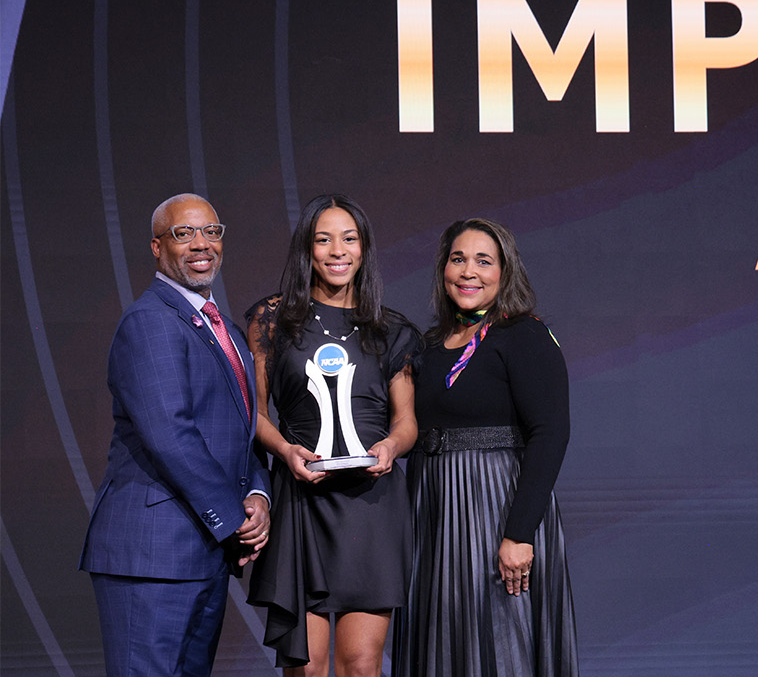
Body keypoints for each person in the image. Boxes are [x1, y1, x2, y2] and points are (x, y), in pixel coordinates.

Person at [80, 193, 271, 677]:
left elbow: (242, 428)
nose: (200, 244)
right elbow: (171, 435)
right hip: (150, 555)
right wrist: (233, 520)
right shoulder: (150, 322)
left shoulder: (222, 326)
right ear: (156, 247)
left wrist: (257, 493)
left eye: (211, 231)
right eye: (183, 233)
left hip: (203, 552)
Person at [245, 194, 419, 677]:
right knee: (308, 666)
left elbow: (407, 422)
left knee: (361, 664)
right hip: (302, 501)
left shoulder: (391, 328)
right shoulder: (271, 320)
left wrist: (391, 446)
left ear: (364, 249)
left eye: (349, 238)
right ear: (307, 249)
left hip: (372, 504)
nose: (337, 250)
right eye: (323, 240)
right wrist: (283, 448)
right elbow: (253, 413)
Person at [396, 218, 578, 677]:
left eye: (483, 260)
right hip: (433, 514)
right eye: (458, 259)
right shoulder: (428, 345)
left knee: (498, 644)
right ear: (443, 270)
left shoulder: (524, 335)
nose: (468, 271)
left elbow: (551, 433)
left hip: (494, 510)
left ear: (505, 271)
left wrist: (518, 534)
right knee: (440, 645)